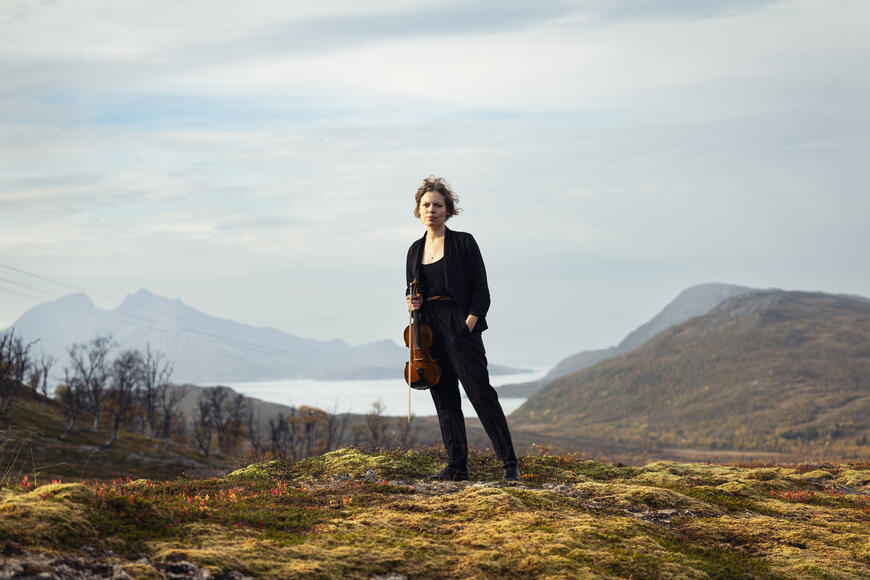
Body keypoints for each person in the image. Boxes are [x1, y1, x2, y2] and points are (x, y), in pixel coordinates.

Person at [405, 176, 519, 482]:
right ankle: (457, 465)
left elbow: (481, 291)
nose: (431, 210)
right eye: (426, 205)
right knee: (444, 398)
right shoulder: (414, 250)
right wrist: (412, 303)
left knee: (481, 394)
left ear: (448, 210)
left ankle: (509, 463)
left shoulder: (464, 242)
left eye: (438, 205)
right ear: (418, 209)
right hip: (428, 332)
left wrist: (467, 326)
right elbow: (412, 291)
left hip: (459, 325)